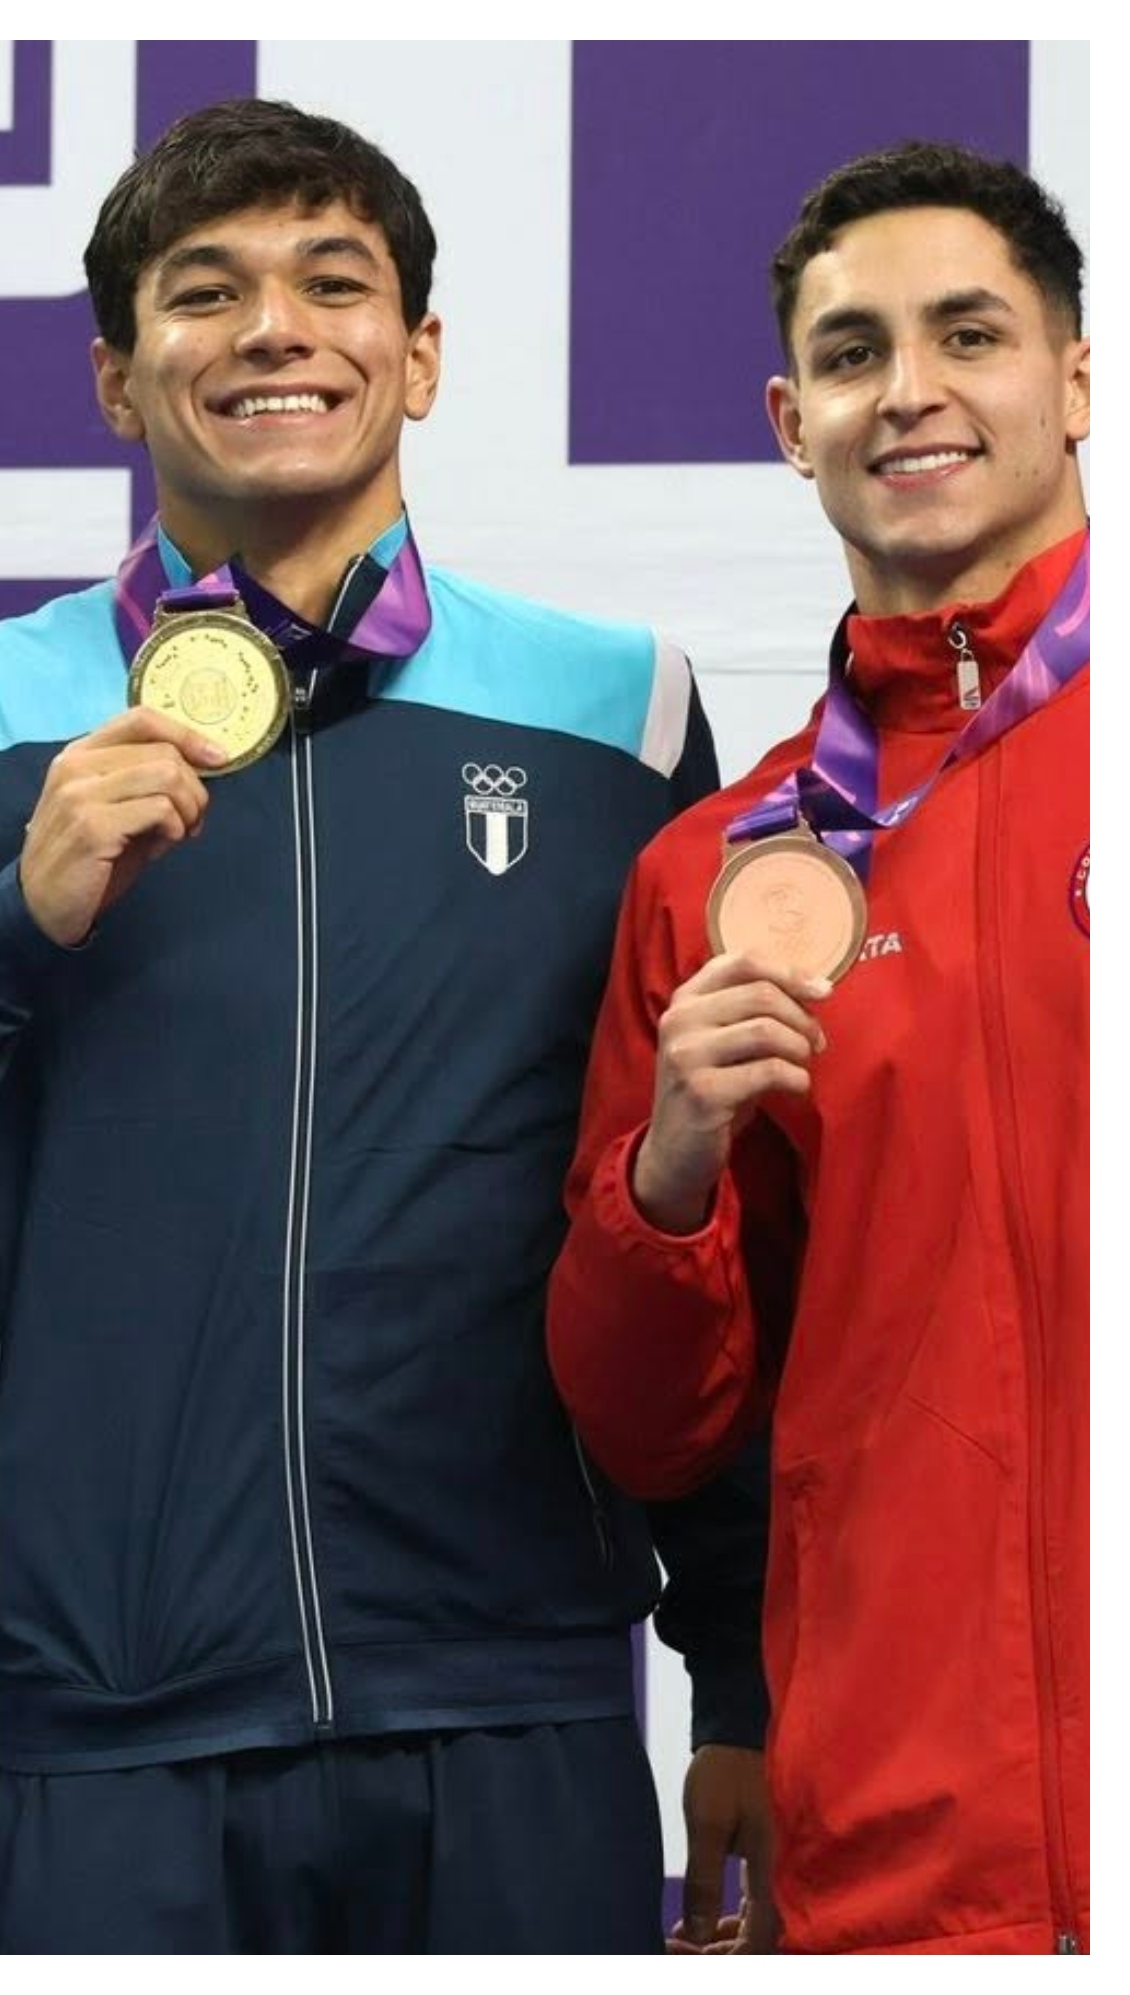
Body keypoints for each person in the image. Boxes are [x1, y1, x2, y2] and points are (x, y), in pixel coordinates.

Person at [0, 99, 767, 1951]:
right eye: (205, 294)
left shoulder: (621, 716)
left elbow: (709, 1212)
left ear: (419, 355)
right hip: (117, 1742)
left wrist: (736, 1669)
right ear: (116, 378)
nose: (273, 329)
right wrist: (4, 931)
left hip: (518, 1719)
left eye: (333, 284)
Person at [548, 141, 1088, 1956]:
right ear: (795, 420)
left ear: (1077, 377)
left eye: (970, 333)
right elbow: (648, 1423)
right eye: (855, 355)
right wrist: (669, 1168)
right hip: (907, 1830)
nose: (911, 390)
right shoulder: (724, 873)